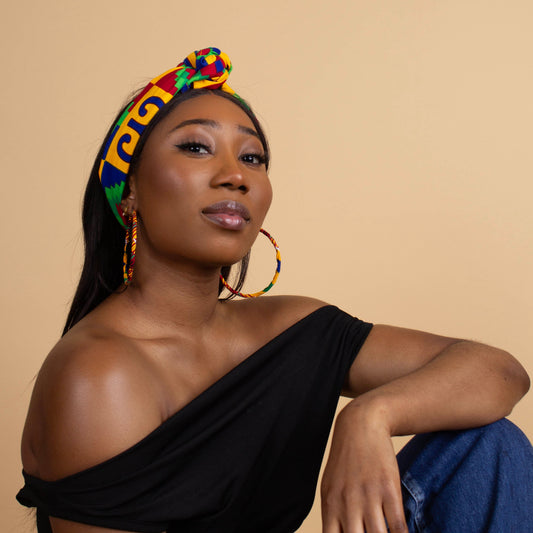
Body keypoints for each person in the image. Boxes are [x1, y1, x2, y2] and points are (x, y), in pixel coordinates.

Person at [17, 47, 533, 533]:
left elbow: (499, 372)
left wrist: (371, 415)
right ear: (129, 189)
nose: (235, 176)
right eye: (196, 147)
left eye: (253, 158)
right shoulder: (99, 374)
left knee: (486, 443)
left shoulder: (290, 330)